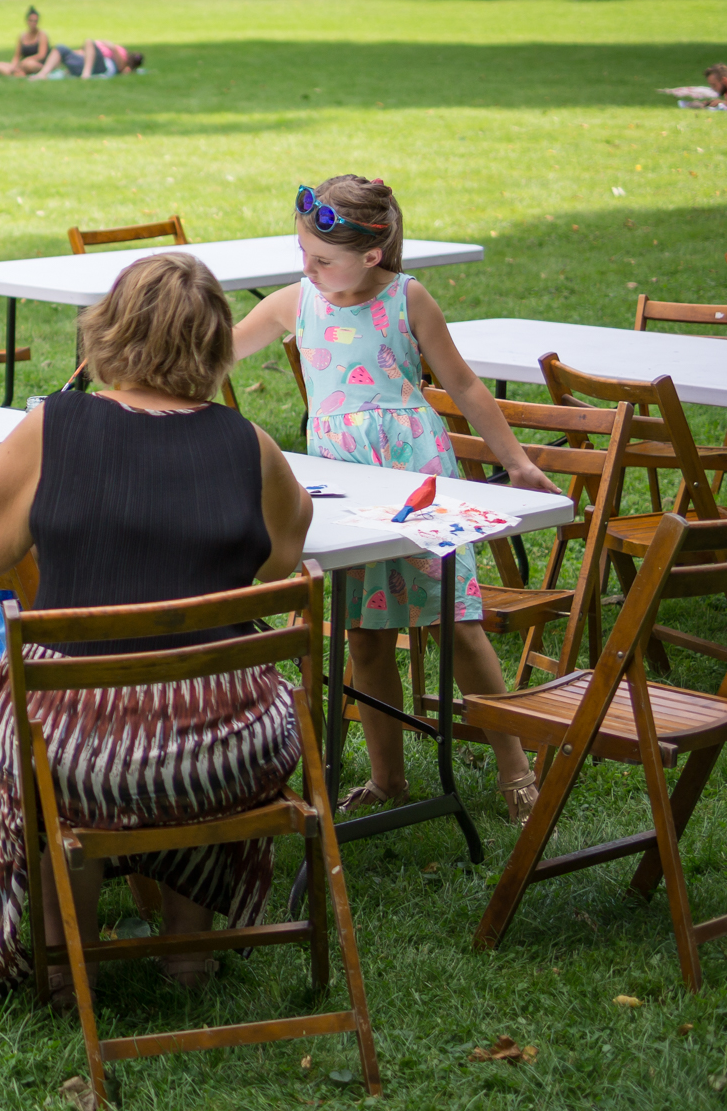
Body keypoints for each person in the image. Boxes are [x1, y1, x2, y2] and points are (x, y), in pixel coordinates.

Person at [0, 253, 314, 1009]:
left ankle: (66, 961)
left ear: (110, 332)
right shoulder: (248, 443)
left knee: (50, 735)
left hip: (78, 755)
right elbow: (285, 554)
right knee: (193, 699)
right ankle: (189, 954)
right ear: (215, 345)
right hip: (229, 747)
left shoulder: (57, 426)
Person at [231, 175, 561, 827]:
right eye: (304, 254)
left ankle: (515, 769)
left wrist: (517, 463)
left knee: (455, 621)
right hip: (343, 485)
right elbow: (218, 351)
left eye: (322, 259)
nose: (309, 269)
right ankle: (388, 778)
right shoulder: (295, 302)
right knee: (364, 634)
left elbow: (464, 385)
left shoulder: (408, 299)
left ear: (372, 254)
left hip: (416, 476)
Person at [32, 39, 143, 80]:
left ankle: (86, 74)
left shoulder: (121, 57)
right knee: (60, 48)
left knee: (89, 41)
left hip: (103, 66)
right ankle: (42, 74)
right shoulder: (118, 51)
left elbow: (121, 67)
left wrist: (112, 47)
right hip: (86, 60)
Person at [0, 7, 51, 77]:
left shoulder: (42, 35)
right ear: (27, 21)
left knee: (30, 64)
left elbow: (41, 55)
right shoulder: (22, 36)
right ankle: (18, 74)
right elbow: (17, 56)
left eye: (35, 21)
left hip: (36, 64)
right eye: (31, 21)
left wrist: (27, 60)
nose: (33, 23)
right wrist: (13, 66)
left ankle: (17, 75)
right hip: (22, 65)